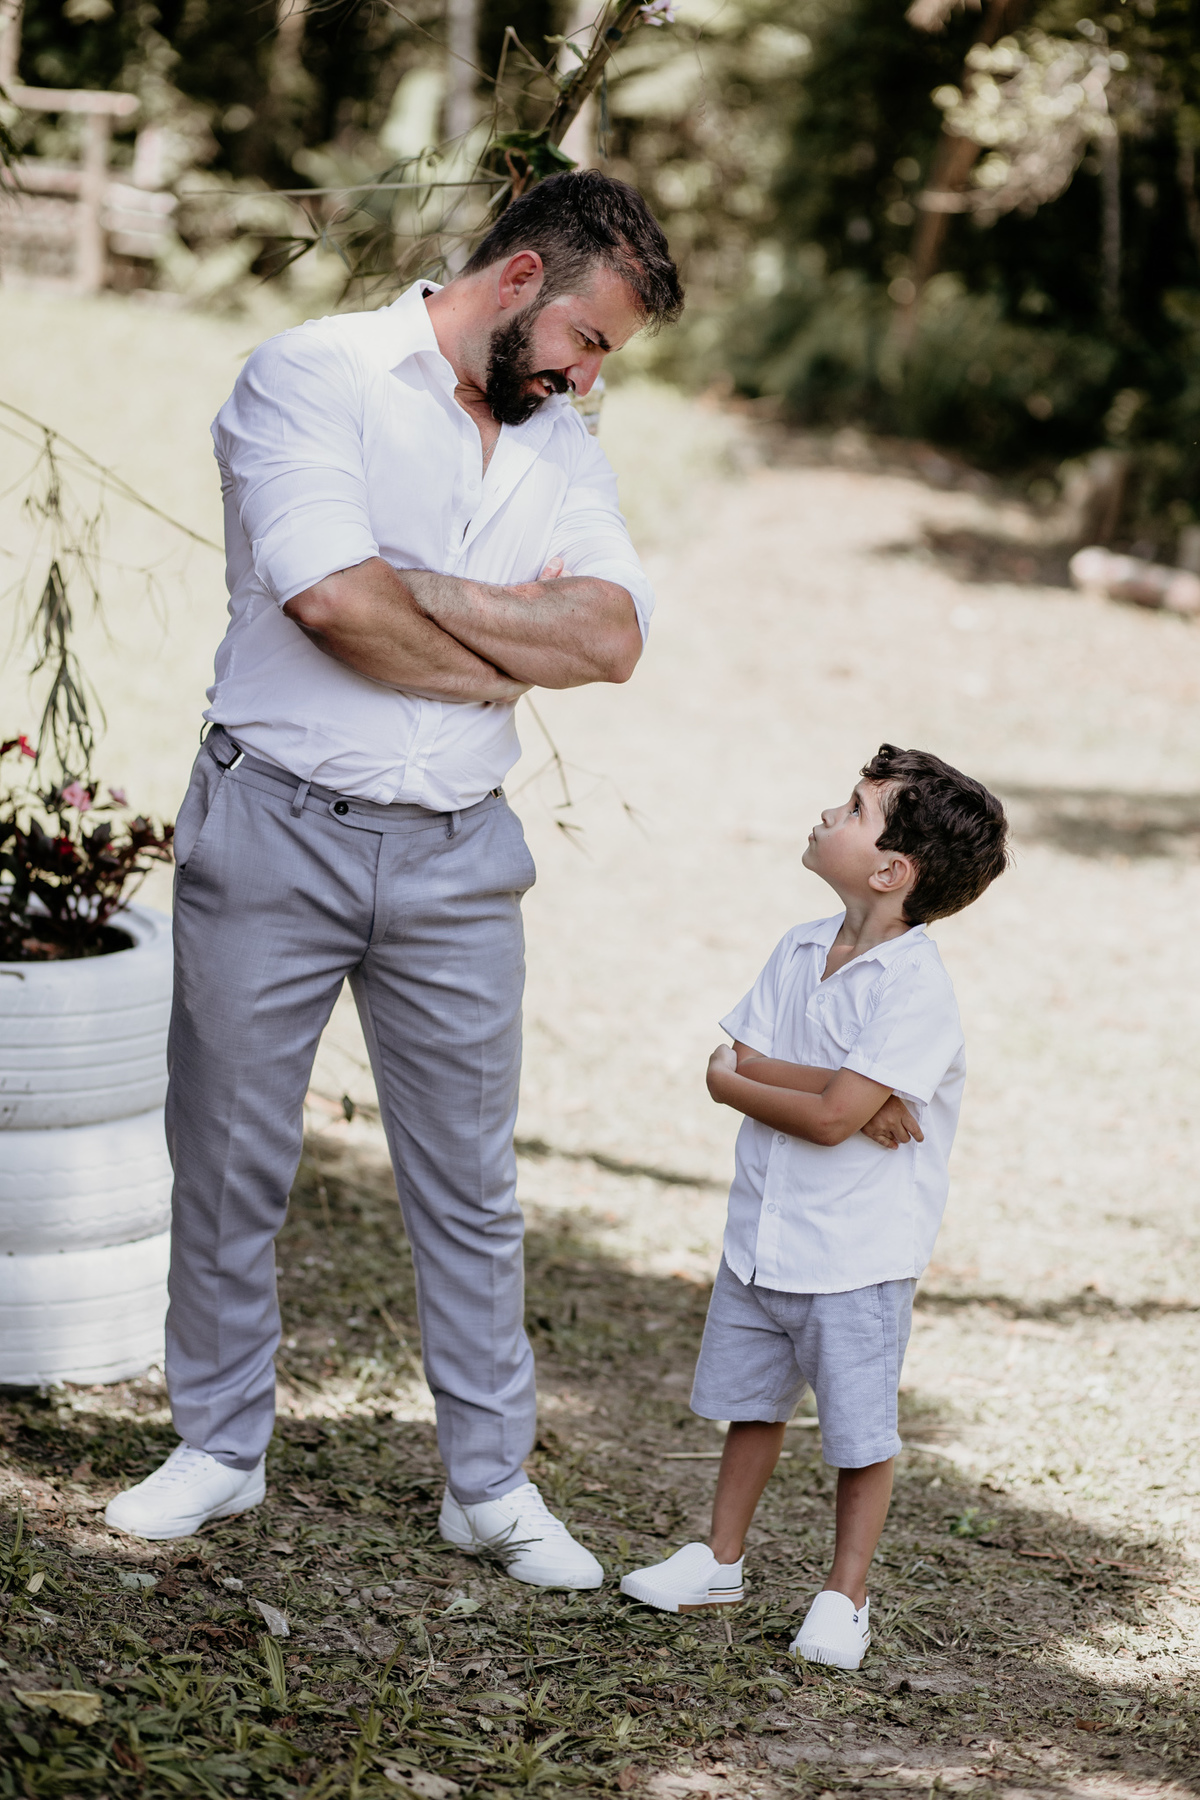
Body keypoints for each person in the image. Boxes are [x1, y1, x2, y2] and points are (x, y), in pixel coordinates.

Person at [104, 170, 683, 1585]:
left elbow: (608, 638)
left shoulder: (559, 436)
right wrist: (494, 642)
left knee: (472, 1188)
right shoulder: (313, 375)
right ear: (520, 277)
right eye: (587, 338)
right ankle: (220, 1451)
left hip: (457, 860)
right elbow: (327, 603)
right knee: (234, 1161)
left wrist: (408, 586)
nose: (590, 375)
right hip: (275, 827)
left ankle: (487, 1484)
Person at [619, 745, 1009, 1668]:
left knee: (858, 1433)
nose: (826, 814)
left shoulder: (916, 990)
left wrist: (765, 1091)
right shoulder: (799, 947)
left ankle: (846, 1597)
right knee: (753, 1405)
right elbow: (763, 1066)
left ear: (889, 870)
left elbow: (813, 1111)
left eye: (852, 808)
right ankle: (719, 1560)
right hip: (763, 1232)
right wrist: (836, 1090)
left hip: (856, 1254)